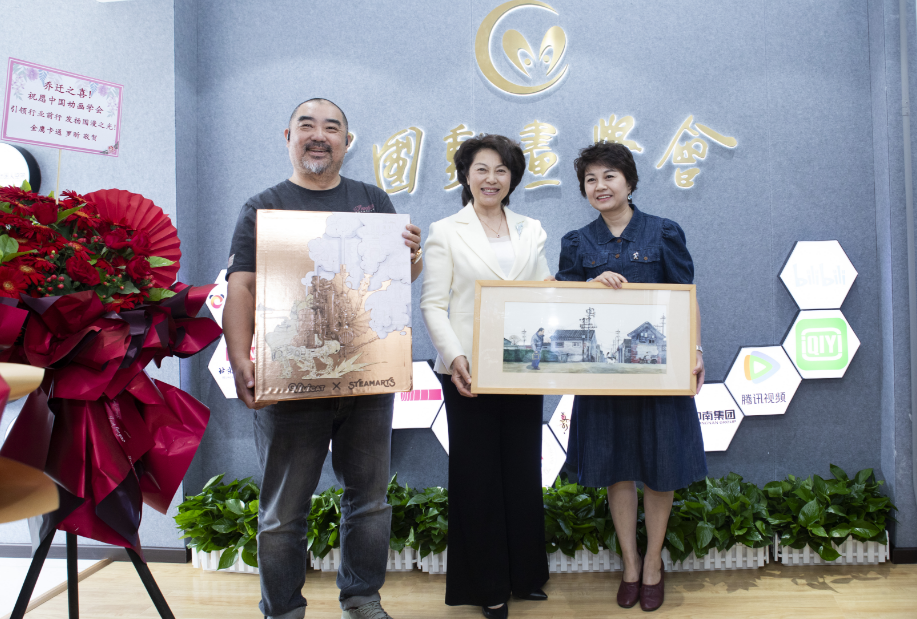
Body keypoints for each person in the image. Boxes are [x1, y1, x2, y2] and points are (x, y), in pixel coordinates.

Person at [223, 98, 423, 619]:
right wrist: (240, 357)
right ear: (287, 136)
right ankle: (283, 609)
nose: (319, 135)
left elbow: (396, 279)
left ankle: (361, 597)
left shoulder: (372, 200)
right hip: (289, 380)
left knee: (370, 501)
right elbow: (241, 287)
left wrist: (411, 256)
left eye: (331, 128)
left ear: (346, 142)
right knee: (283, 511)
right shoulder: (263, 206)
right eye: (307, 125)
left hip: (367, 382)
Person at [555, 142, 707, 613]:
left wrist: (696, 351)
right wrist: (588, 284)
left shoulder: (663, 232)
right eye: (590, 180)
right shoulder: (577, 242)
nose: (600, 187)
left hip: (660, 374)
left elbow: (686, 295)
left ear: (630, 181)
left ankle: (655, 562)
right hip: (603, 376)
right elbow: (561, 301)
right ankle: (630, 563)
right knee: (615, 468)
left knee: (662, 466)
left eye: (609, 177)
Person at [420, 134, 552, 619]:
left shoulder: (532, 229)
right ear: (466, 175)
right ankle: (488, 585)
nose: (491, 178)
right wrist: (454, 357)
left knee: (522, 470)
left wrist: (587, 291)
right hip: (467, 371)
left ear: (512, 178)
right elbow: (433, 304)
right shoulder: (445, 230)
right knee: (476, 477)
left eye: (501, 170)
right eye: (481, 169)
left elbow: (545, 291)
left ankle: (525, 575)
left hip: (522, 366)